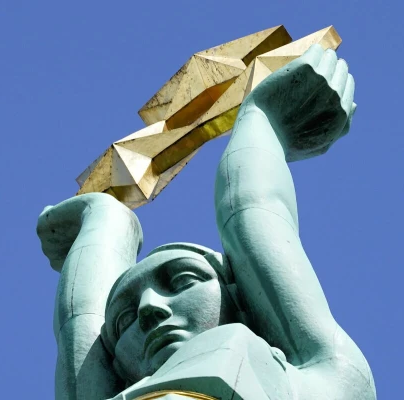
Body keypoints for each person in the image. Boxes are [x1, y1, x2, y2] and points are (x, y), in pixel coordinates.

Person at [37, 45, 376, 400]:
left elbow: (249, 212)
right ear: (117, 364)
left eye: (183, 280)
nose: (149, 308)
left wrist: (263, 117)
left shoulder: (314, 384)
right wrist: (103, 220)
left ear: (241, 297)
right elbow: (82, 323)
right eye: (124, 322)